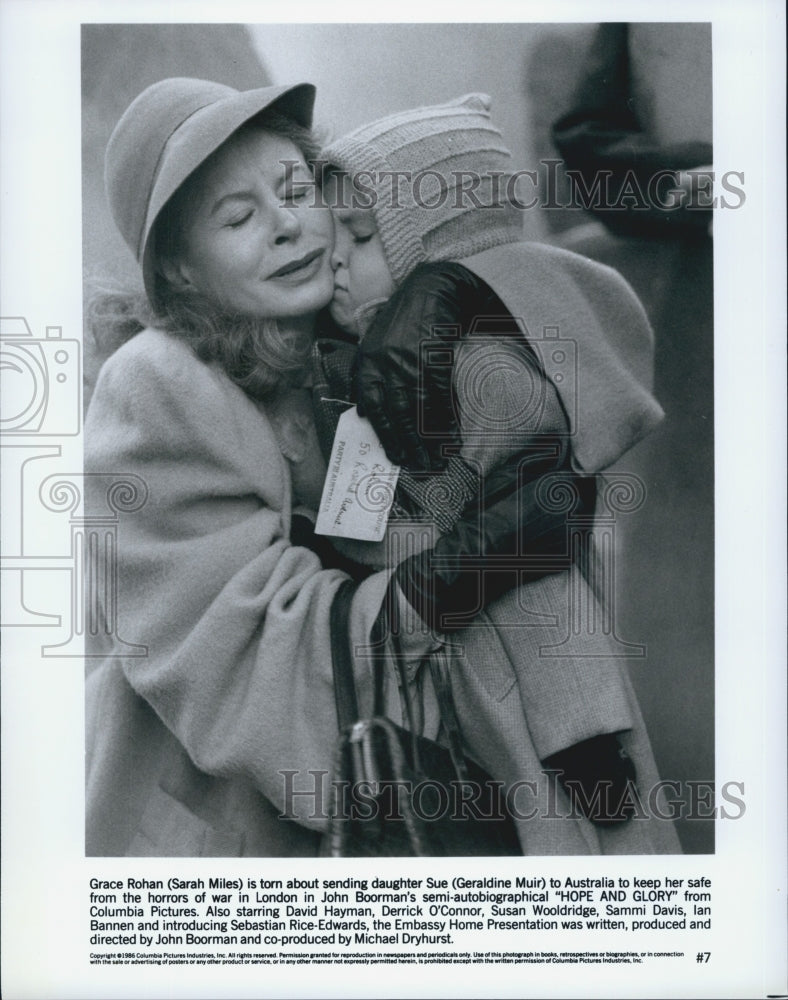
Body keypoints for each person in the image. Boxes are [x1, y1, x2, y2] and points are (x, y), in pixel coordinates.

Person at [84, 78, 555, 857]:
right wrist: (459, 573)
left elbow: (570, 328)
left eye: (296, 188)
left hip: (404, 785)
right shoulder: (154, 387)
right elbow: (245, 657)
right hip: (216, 838)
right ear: (179, 275)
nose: (286, 225)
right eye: (237, 217)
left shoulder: (355, 331)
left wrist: (448, 292)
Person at [312, 93, 681, 853]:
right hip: (473, 676)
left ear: (437, 254)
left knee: (570, 862)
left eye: (358, 236)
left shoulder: (474, 377)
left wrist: (581, 730)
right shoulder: (408, 363)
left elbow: (541, 581)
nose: (334, 263)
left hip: (534, 709)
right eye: (330, 238)